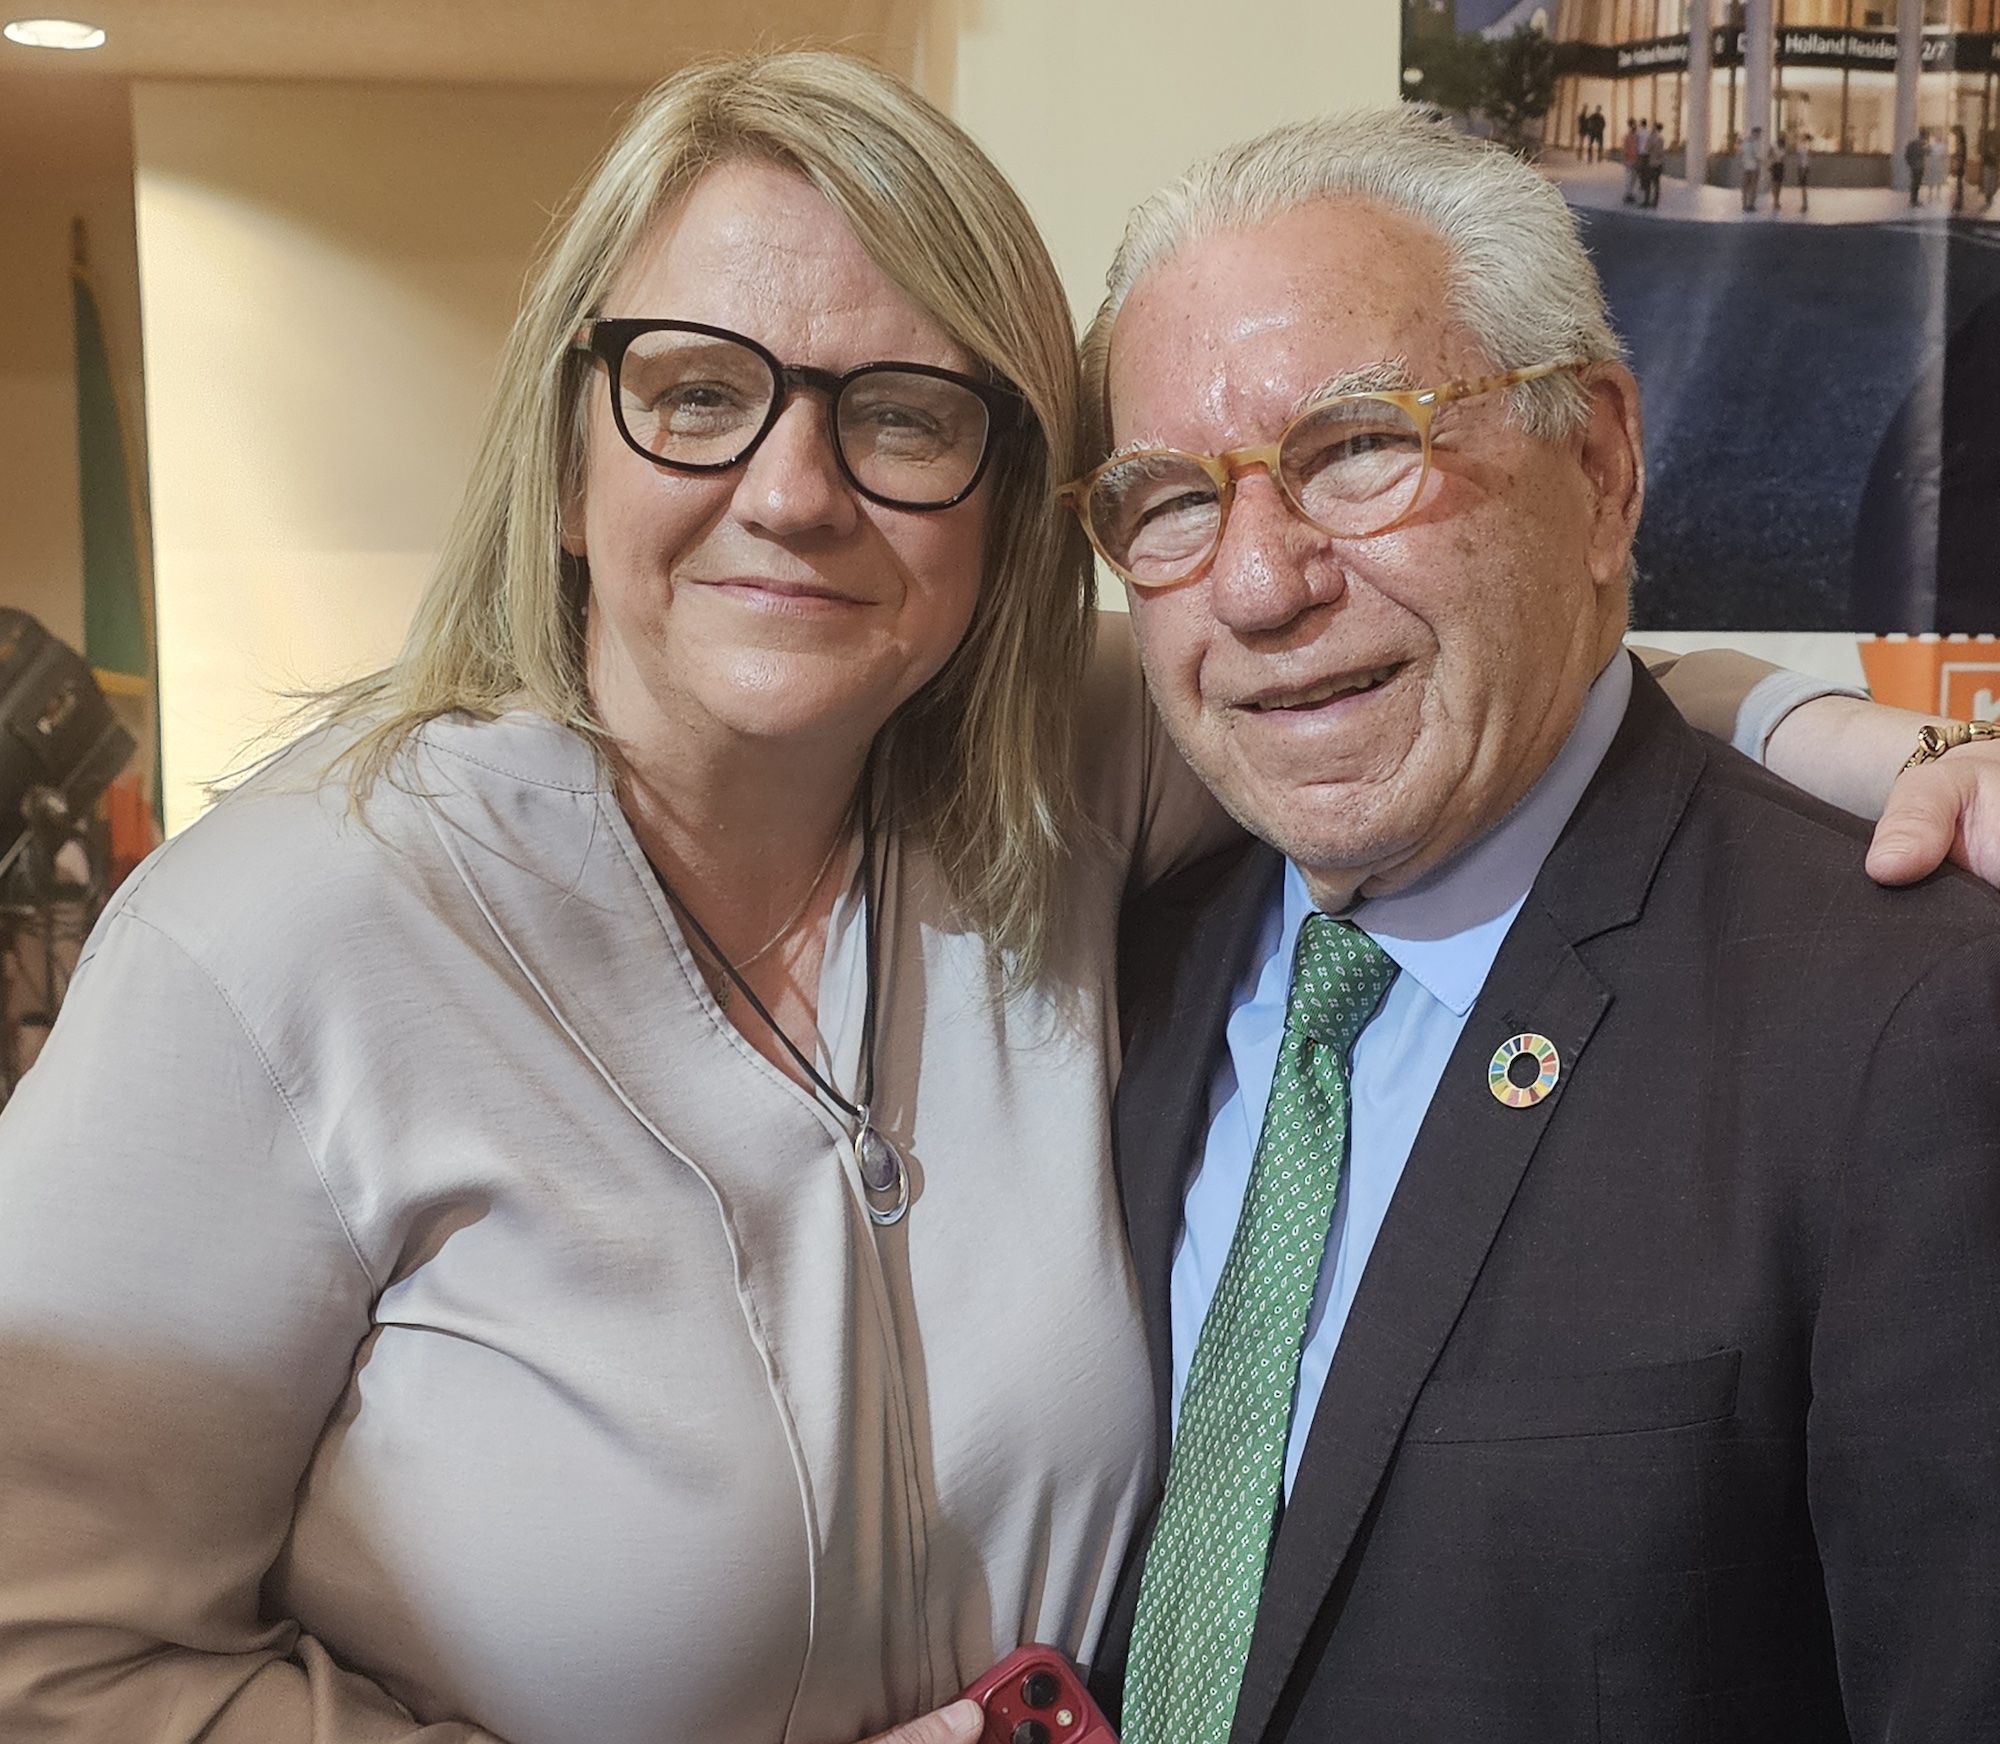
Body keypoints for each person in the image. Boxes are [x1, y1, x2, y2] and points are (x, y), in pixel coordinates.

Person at [1, 50, 1993, 1744]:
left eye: (902, 414)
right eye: (697, 389)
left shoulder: (1053, 799)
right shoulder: (281, 944)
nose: (793, 488)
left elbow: (1472, 680)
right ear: (562, 446)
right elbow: (40, 1651)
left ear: (1002, 518)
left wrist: (1863, 749)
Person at [1067, 106, 2000, 1742]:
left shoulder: (1910, 1027)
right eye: (1169, 499)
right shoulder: (1131, 978)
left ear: (1603, 465)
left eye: (1359, 444)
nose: (1263, 581)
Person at [1739, 125, 1764, 210]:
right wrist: (1763, 162)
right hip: (1754, 167)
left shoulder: (1745, 141)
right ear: (1756, 133)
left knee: (1745, 186)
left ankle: (1744, 204)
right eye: (1759, 133)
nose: (1759, 135)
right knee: (1753, 186)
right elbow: (1757, 156)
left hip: (1746, 166)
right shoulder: (1756, 142)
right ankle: (1751, 204)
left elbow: (1741, 152)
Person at [1642, 119, 1666, 206]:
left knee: (1648, 183)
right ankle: (1655, 202)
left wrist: (1649, 137)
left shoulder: (1653, 138)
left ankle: (1646, 201)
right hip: (1659, 163)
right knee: (1656, 183)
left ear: (1655, 128)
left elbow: (1647, 148)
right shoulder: (1661, 138)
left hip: (1652, 163)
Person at [1622, 117, 1642, 202]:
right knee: (1632, 178)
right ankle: (1628, 194)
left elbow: (1625, 149)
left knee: (1631, 178)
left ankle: (1629, 194)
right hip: (1633, 159)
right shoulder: (1634, 136)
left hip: (1631, 159)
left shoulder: (1628, 136)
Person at [1792, 127, 1812, 213]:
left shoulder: (1804, 146)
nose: (1801, 137)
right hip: (1802, 166)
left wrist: (1803, 168)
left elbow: (1801, 158)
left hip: (1803, 167)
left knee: (1803, 186)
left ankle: (1804, 204)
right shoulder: (1804, 145)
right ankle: (1804, 204)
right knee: (1803, 186)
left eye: (1802, 136)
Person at [1908, 127, 1929, 205]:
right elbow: (1928, 153)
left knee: (1914, 183)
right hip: (1919, 167)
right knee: (1916, 184)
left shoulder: (1912, 143)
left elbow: (1907, 155)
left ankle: (1913, 200)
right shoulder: (1922, 144)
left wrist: (1910, 164)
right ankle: (1914, 201)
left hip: (1914, 166)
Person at [1769, 130, 1787, 208]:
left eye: (1784, 136)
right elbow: (1769, 155)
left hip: (1781, 165)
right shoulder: (1773, 145)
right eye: (1781, 135)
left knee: (1779, 184)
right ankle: (1775, 201)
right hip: (1775, 165)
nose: (1782, 137)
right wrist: (1770, 164)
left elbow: (1783, 157)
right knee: (1774, 183)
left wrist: (1783, 165)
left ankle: (1777, 199)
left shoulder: (1784, 146)